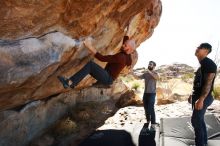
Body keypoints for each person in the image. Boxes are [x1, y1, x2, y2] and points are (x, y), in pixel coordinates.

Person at [57, 36, 136, 89]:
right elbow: (126, 39)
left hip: (107, 79)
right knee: (89, 68)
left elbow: (102, 58)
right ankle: (72, 82)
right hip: (107, 75)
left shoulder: (121, 57)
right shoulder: (128, 55)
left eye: (125, 46)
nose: (123, 46)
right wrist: (128, 30)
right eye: (124, 44)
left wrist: (89, 46)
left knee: (91, 65)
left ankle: (70, 83)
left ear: (129, 49)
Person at [188, 43, 217, 146]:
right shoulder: (202, 64)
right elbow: (199, 82)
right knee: (199, 120)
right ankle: (203, 143)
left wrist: (201, 99)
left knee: (195, 120)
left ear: (206, 51)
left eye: (200, 47)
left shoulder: (209, 64)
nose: (197, 48)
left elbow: (208, 84)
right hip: (198, 96)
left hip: (204, 97)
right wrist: (192, 94)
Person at [134, 61, 159, 129]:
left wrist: (149, 71)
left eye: (151, 64)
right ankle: (148, 120)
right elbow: (137, 77)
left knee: (151, 108)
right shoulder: (146, 74)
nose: (149, 65)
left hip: (152, 94)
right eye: (149, 64)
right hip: (145, 94)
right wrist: (131, 73)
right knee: (146, 108)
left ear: (154, 66)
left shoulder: (155, 73)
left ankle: (153, 123)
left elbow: (156, 78)